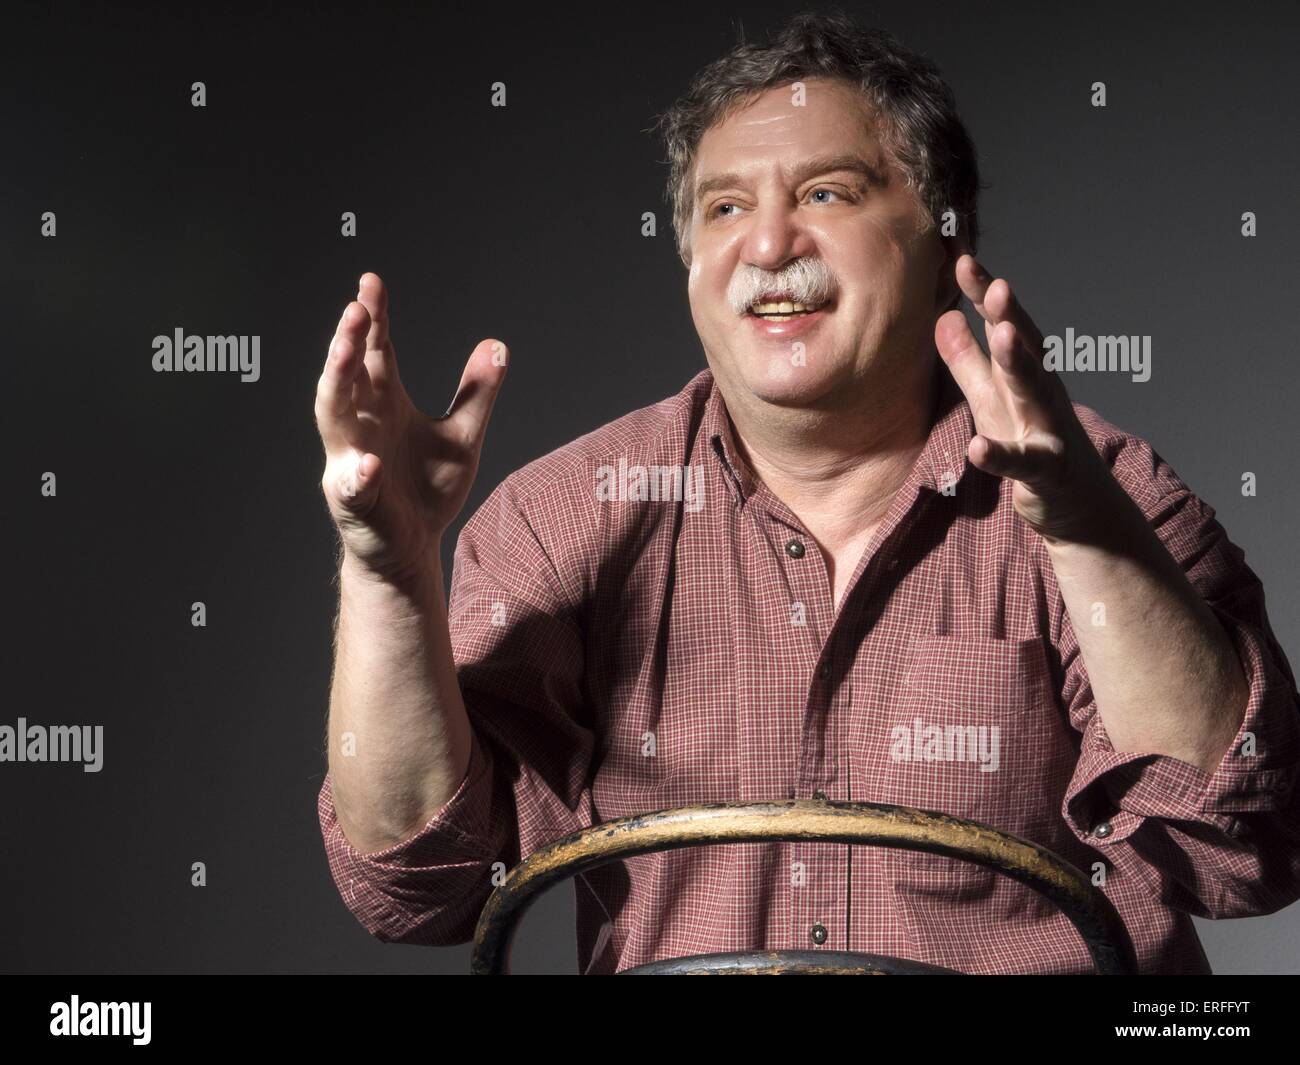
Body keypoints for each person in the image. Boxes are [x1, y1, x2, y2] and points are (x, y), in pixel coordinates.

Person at [312, 11, 1300, 974]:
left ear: (945, 236)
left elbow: (1243, 853)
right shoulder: (563, 516)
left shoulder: (1107, 490)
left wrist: (1088, 533)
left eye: (827, 194)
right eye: (725, 207)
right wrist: (389, 570)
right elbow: (415, 884)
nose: (768, 245)